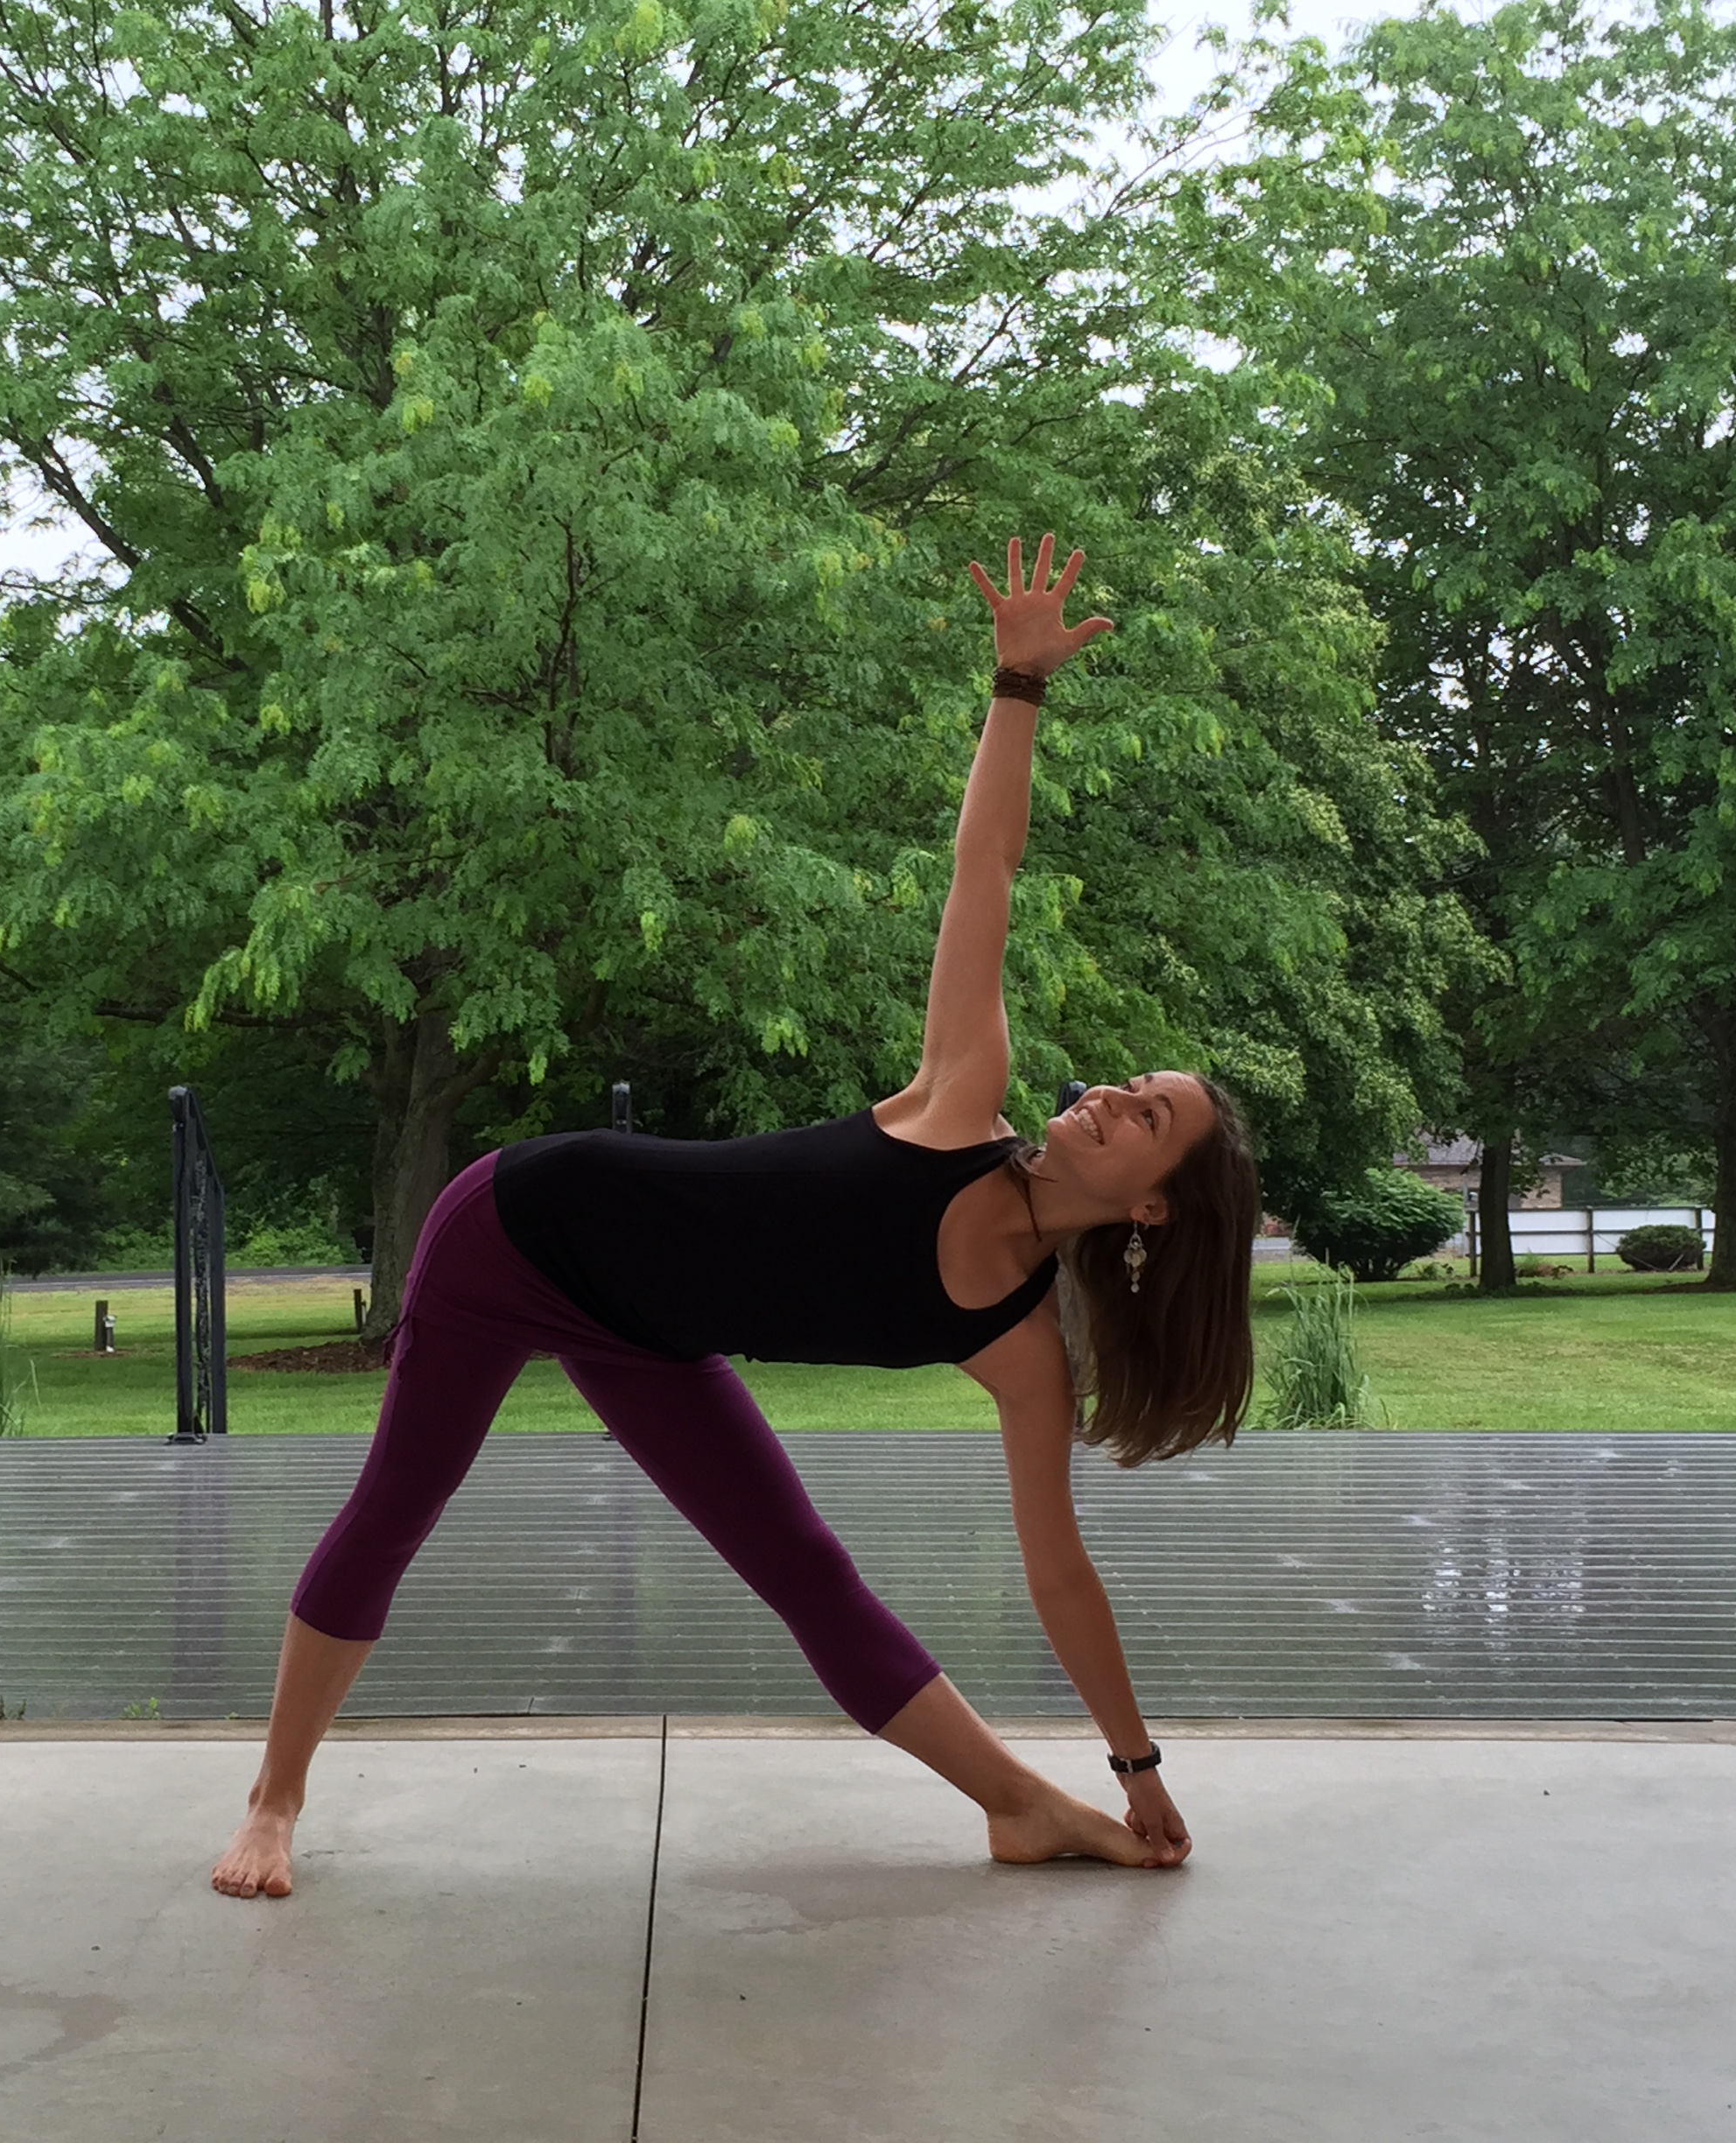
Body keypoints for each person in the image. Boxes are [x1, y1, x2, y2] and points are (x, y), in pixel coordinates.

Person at [213, 536, 1260, 1900]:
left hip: (651, 1327)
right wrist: (1018, 685)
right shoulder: (961, 1101)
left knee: (805, 1566)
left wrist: (1138, 1765)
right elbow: (985, 873)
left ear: (1156, 1208)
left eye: (1150, 1114)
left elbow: (1059, 1574)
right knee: (400, 1503)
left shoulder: (1022, 1352)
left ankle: (1020, 1805)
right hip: (520, 1231)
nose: (1113, 1094)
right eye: (1130, 1082)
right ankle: (273, 1800)